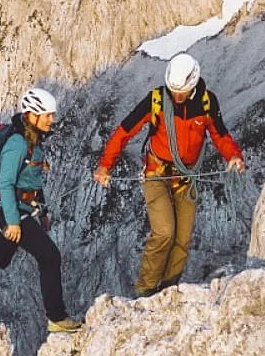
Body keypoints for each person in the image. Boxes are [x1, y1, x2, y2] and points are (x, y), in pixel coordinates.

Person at [93, 52, 244, 296]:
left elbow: (220, 134)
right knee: (164, 231)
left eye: (181, 92)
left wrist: (233, 156)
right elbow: (125, 131)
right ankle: (145, 289)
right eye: (174, 91)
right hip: (156, 174)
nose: (177, 96)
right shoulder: (156, 100)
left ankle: (167, 289)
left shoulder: (207, 103)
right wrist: (105, 166)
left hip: (186, 178)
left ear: (193, 84)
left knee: (182, 241)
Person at [0, 88, 83, 333]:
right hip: (10, 212)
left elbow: (32, 183)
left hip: (20, 210)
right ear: (32, 115)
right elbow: (5, 185)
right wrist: (14, 222)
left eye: (51, 115)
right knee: (50, 257)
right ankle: (56, 317)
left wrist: (43, 211)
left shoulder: (33, 142)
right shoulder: (17, 143)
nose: (52, 120)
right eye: (47, 115)